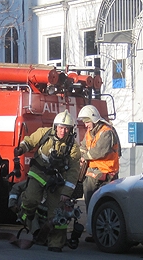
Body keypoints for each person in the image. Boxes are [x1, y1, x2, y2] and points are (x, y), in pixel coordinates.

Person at [14, 110, 81, 252]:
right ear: (55, 126)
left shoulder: (73, 147)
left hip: (57, 180)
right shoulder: (44, 133)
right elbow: (29, 141)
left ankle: (56, 243)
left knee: (57, 212)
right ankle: (27, 217)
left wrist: (66, 193)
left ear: (71, 129)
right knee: (30, 199)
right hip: (38, 173)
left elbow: (73, 172)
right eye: (61, 127)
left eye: (66, 128)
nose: (63, 131)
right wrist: (21, 149)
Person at [77, 104, 121, 243]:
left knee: (103, 206)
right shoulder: (91, 132)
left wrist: (85, 156)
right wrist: (83, 154)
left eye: (87, 121)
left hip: (106, 175)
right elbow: (83, 146)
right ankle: (95, 232)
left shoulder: (106, 132)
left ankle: (100, 233)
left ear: (94, 119)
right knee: (92, 205)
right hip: (93, 175)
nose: (86, 125)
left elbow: (99, 151)